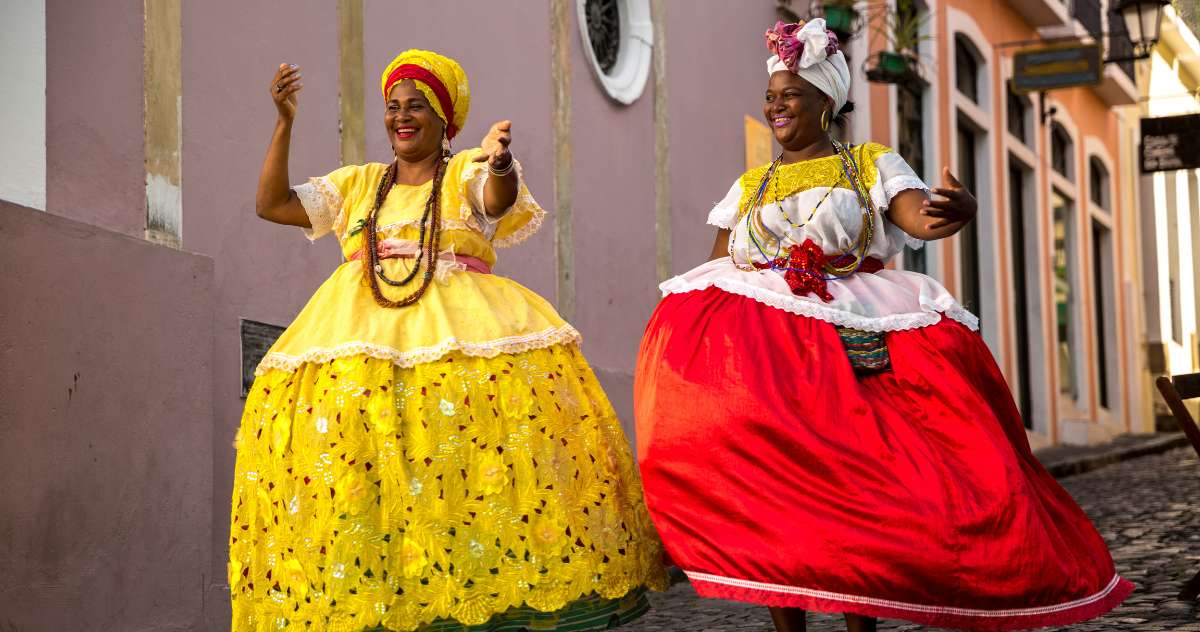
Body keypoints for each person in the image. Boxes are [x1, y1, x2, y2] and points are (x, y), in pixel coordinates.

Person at [633, 20, 1131, 632]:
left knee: (853, 482)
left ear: (828, 101)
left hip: (851, 323)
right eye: (771, 96)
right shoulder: (749, 185)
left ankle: (863, 618)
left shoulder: (870, 162)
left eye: (791, 93)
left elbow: (920, 216)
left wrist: (958, 210)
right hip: (770, 344)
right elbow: (720, 265)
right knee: (777, 488)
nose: (776, 106)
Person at [231, 49, 667, 632]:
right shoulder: (358, 184)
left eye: (416, 107)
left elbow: (496, 200)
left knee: (465, 474)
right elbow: (273, 204)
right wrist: (285, 123)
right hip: (357, 338)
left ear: (445, 120)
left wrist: (501, 164)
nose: (401, 117)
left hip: (462, 334)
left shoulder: (464, 171)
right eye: (393, 107)